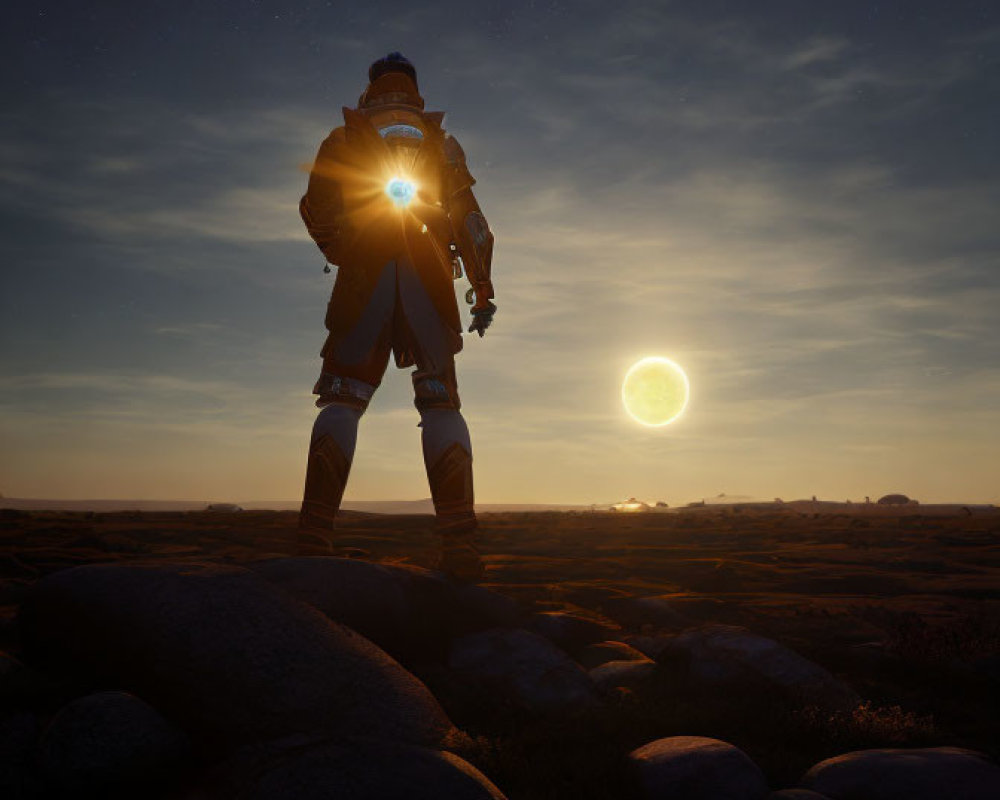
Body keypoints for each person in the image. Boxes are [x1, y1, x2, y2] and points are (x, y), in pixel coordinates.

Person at [297, 52, 495, 581]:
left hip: (364, 270)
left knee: (342, 395)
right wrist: (481, 287)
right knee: (440, 400)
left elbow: (316, 207)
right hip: (429, 270)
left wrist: (346, 249)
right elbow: (470, 221)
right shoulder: (441, 141)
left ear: (370, 86)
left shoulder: (344, 137)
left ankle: (315, 535)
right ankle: (460, 544)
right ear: (414, 86)